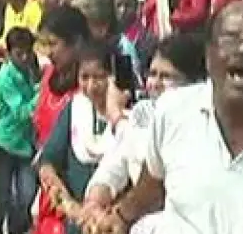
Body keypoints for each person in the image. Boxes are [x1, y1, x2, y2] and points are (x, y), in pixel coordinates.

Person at [91, 0, 243, 234]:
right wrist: (120, 217)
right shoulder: (172, 112)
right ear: (208, 57)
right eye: (229, 39)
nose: (242, 49)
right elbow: (151, 185)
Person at [81, 34, 208, 223]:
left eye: (166, 77)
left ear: (194, 83)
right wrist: (96, 198)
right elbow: (116, 161)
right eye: (152, 73)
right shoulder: (144, 112)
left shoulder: (200, 124)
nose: (154, 84)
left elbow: (152, 165)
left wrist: (118, 119)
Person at [36, 41, 117, 234]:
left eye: (99, 77)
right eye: (84, 77)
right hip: (76, 222)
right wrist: (71, 206)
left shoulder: (127, 115)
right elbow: (47, 163)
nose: (91, 86)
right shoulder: (74, 110)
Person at [31, 6, 93, 233]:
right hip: (49, 185)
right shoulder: (49, 77)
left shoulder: (89, 87)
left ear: (76, 42)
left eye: (53, 44)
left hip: (79, 193)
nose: (48, 52)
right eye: (44, 44)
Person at [0, 27, 41, 234]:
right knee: (2, 199)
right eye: (19, 54)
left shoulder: (28, 70)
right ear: (8, 54)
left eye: (28, 52)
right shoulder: (5, 78)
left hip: (25, 144)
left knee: (26, 196)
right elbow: (21, 112)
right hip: (6, 144)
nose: (25, 57)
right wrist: (43, 91)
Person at [72, 0, 144, 88]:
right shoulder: (79, 49)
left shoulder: (122, 53)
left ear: (102, 27)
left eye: (82, 27)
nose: (76, 34)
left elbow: (127, 93)